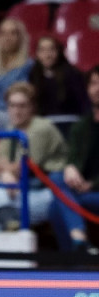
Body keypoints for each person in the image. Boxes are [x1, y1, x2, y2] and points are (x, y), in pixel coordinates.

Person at [0, 82, 67, 232]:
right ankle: (8, 218)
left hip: (45, 193)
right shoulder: (13, 127)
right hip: (17, 190)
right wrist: (5, 174)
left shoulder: (41, 128)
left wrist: (6, 172)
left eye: (22, 106)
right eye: (12, 105)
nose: (16, 111)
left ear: (33, 107)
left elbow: (22, 168)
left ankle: (6, 224)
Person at [48, 66, 99, 254]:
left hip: (93, 190)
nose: (97, 88)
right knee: (57, 180)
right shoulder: (81, 126)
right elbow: (73, 159)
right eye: (94, 83)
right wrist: (70, 168)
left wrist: (91, 184)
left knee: (58, 202)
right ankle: (78, 246)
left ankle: (74, 252)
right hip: (81, 192)